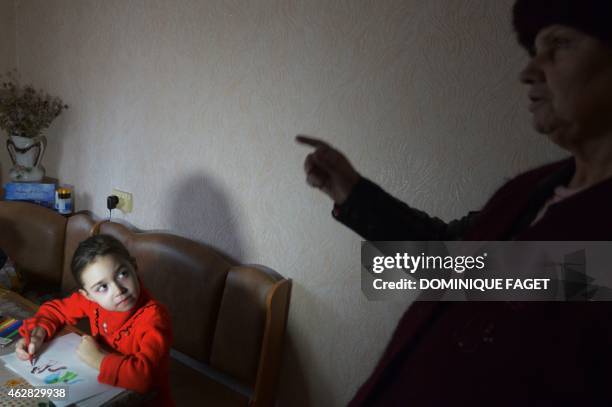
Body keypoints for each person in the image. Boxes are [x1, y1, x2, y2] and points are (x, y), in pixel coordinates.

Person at [298, 0, 612, 404]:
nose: (528, 71)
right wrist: (352, 193)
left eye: (560, 45)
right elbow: (450, 270)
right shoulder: (531, 189)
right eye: (534, 50)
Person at [16, 234, 174, 406]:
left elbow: (145, 377)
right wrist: (39, 331)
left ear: (134, 267)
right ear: (87, 295)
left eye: (122, 273)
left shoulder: (154, 318)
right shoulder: (91, 302)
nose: (118, 290)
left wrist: (97, 359)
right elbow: (56, 310)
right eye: (102, 287)